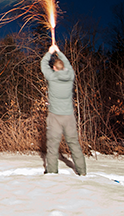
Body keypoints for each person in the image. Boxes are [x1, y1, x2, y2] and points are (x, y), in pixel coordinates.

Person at [41, 44, 86, 176]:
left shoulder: (52, 77)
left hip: (55, 116)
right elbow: (68, 64)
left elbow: (43, 64)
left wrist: (50, 52)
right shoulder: (70, 75)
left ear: (54, 68)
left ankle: (52, 171)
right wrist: (58, 52)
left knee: (53, 145)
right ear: (64, 68)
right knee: (74, 143)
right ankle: (82, 172)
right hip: (69, 116)